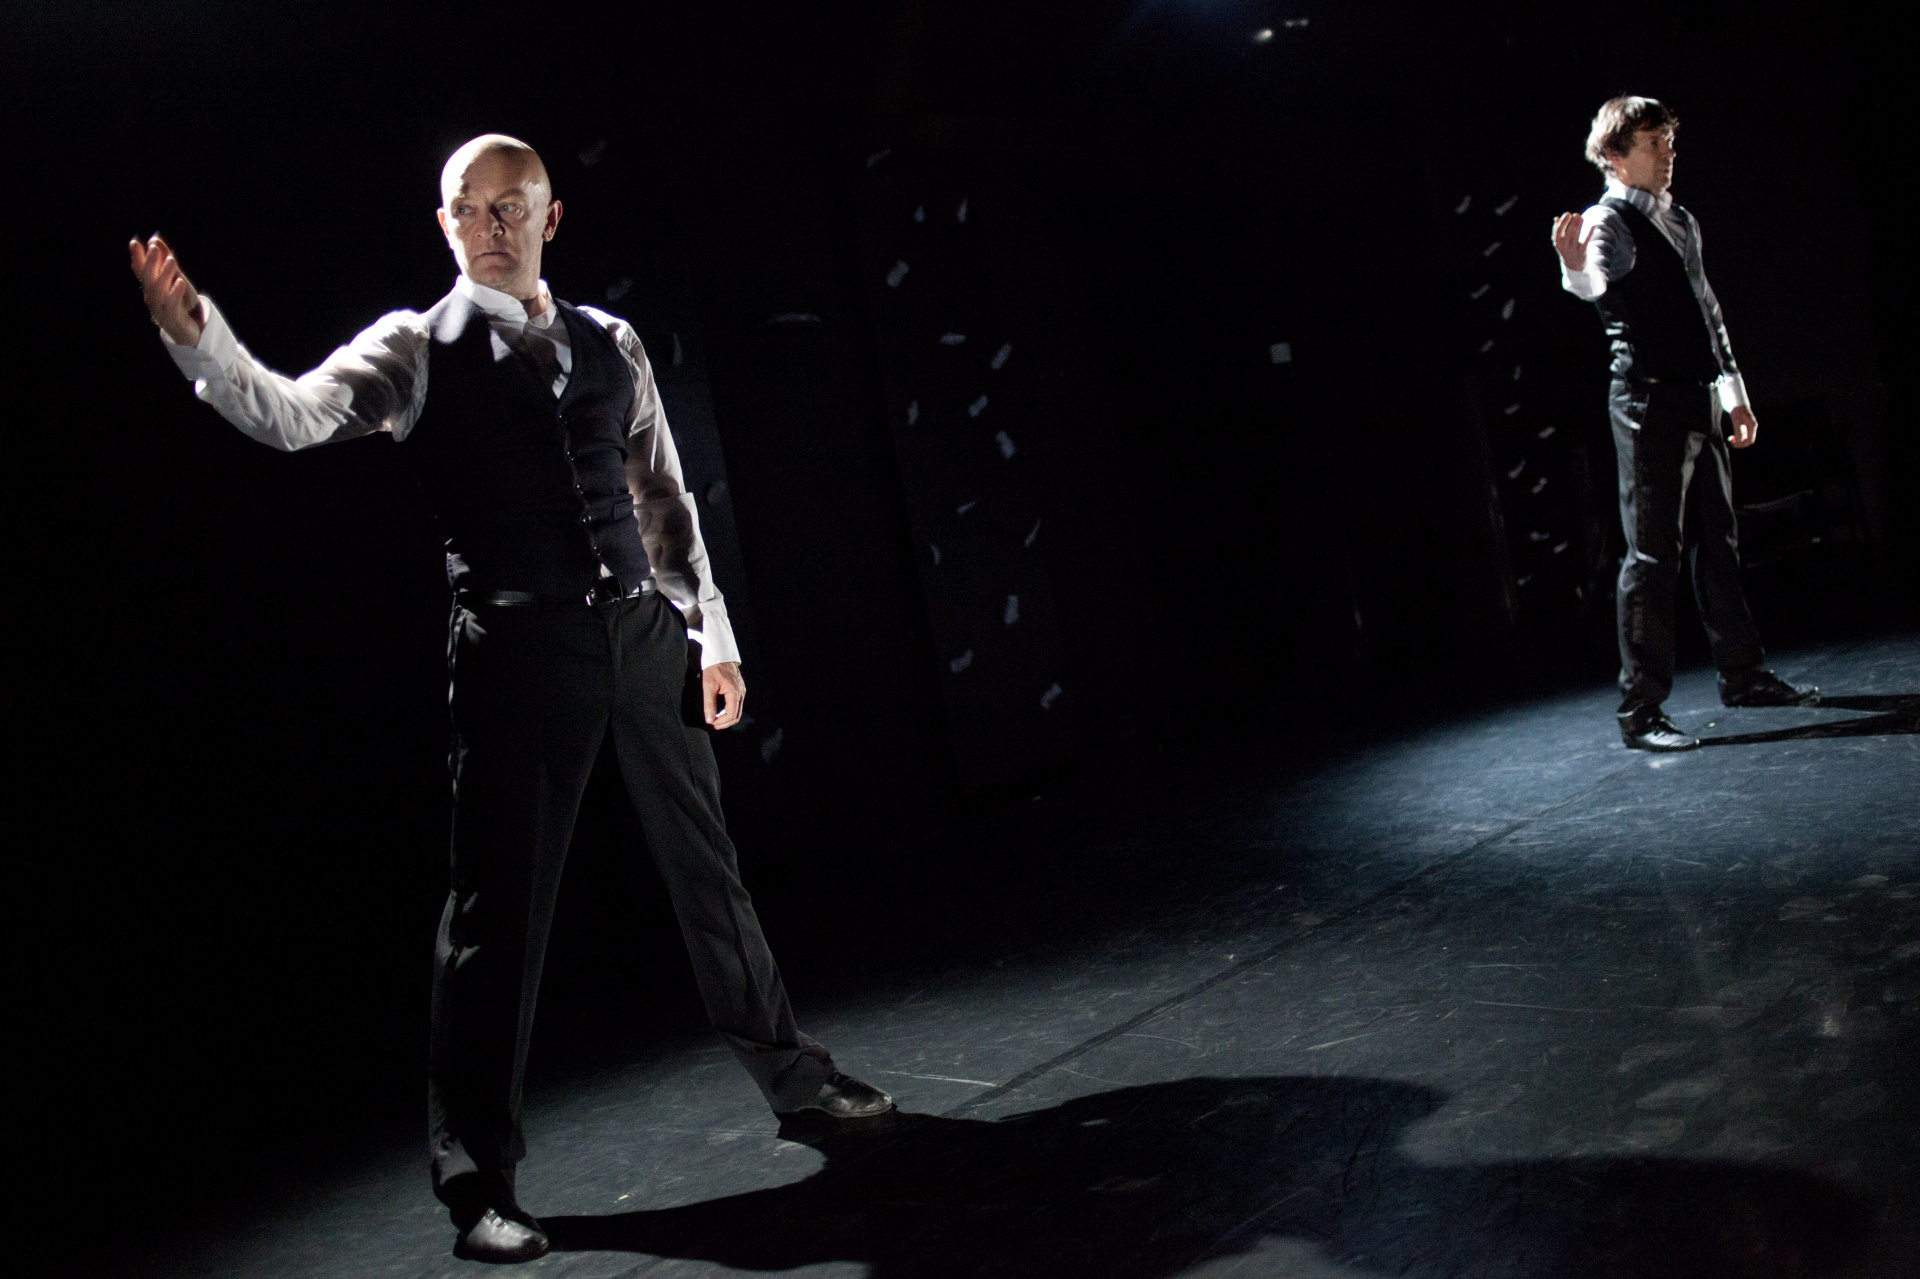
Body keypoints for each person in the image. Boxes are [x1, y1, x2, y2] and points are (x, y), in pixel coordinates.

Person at [130, 134, 892, 1264]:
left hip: (640, 633)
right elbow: (287, 416)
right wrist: (199, 337)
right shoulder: (413, 347)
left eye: (510, 206)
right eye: (468, 209)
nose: (490, 227)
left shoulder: (611, 340)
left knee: (709, 872)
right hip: (519, 648)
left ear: (550, 216)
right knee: (497, 919)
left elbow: (661, 496)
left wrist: (710, 635)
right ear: (445, 224)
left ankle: (794, 1076)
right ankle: (477, 1177)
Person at [1551, 96, 1816, 752]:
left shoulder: (1680, 219)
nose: (1668, 152)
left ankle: (1743, 674)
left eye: (1668, 140)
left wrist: (1734, 394)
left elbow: (1707, 311)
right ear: (1614, 156)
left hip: (1698, 396)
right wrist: (1573, 266)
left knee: (1718, 541)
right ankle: (1641, 709)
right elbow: (1595, 287)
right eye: (1653, 143)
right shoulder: (1608, 221)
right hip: (1647, 401)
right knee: (1652, 553)